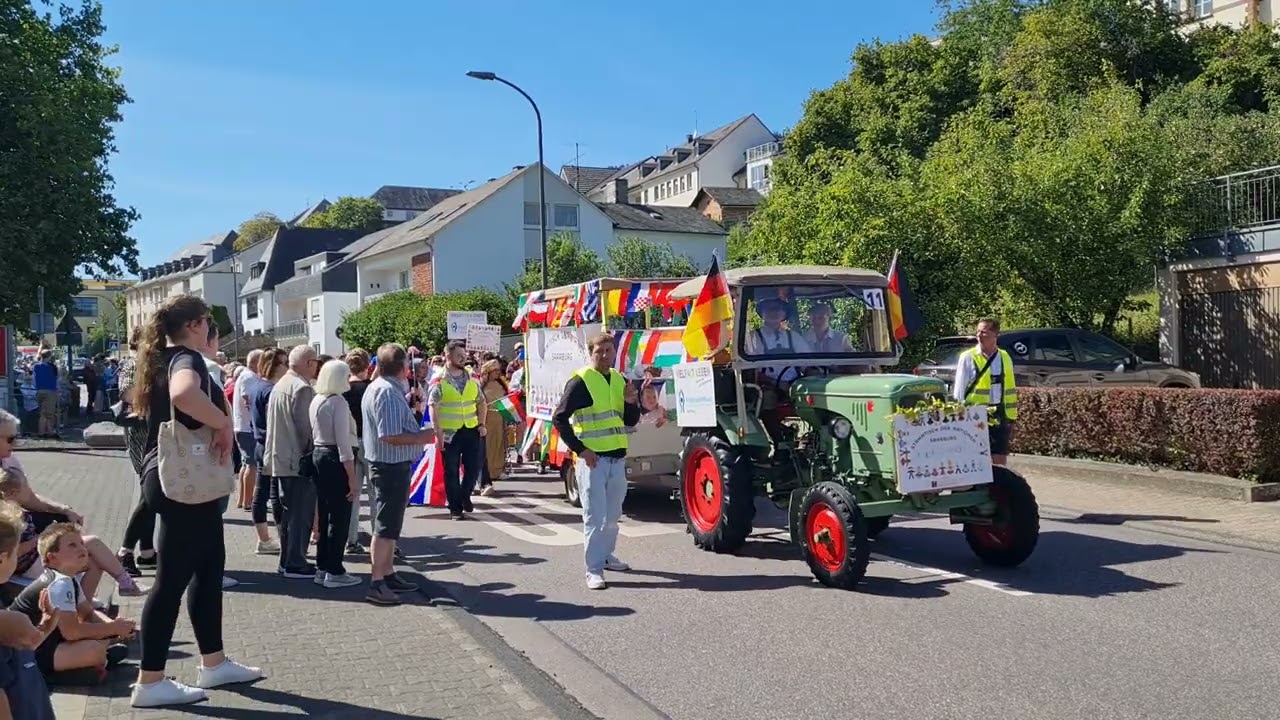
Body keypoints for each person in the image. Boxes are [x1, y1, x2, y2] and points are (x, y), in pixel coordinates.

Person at [128, 294, 263, 707]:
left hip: (173, 478)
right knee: (171, 581)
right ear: (193, 325)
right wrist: (222, 422)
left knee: (207, 569)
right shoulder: (185, 359)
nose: (210, 329)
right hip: (182, 480)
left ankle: (214, 662)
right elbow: (186, 394)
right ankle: (151, 681)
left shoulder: (158, 359)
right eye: (207, 321)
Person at [551, 332, 640, 590]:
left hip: (616, 457)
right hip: (593, 461)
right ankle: (592, 570)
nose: (604, 355)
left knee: (613, 515)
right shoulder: (580, 382)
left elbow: (629, 420)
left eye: (608, 350)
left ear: (614, 353)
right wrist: (581, 449)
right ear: (590, 353)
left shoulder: (618, 379)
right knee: (594, 516)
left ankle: (606, 556)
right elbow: (560, 418)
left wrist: (631, 402)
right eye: (599, 351)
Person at [10, 523, 132, 680]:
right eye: (72, 545)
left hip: (46, 642)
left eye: (81, 543)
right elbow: (72, 632)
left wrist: (114, 626)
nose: (81, 548)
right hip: (27, 653)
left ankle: (99, 659)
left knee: (100, 639)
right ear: (51, 558)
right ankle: (95, 663)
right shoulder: (59, 583)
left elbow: (87, 612)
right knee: (94, 649)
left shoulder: (68, 579)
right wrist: (112, 629)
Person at [361, 343, 432, 606]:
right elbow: (389, 435)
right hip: (389, 465)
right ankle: (377, 581)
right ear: (403, 368)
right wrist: (422, 436)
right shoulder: (387, 392)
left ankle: (387, 573)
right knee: (386, 525)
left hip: (390, 464)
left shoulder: (381, 388)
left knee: (391, 525)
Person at [265, 345, 319, 580]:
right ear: (308, 363)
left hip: (279, 457)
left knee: (286, 515)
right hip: (295, 461)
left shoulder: (281, 384)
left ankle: (287, 561)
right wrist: (312, 454)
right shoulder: (301, 388)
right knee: (299, 514)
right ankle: (295, 562)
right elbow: (305, 430)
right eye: (315, 362)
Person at [0, 500, 56, 719]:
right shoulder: (8, 619)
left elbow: (23, 645)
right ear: (2, 558)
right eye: (16, 553)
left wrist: (45, 624)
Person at [309, 360, 360, 589]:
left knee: (325, 512)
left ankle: (322, 566)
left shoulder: (317, 399)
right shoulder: (338, 402)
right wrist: (352, 477)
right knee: (340, 517)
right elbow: (343, 445)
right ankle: (335, 570)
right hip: (334, 458)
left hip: (319, 455)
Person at [428, 341, 486, 520]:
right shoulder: (439, 380)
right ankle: (455, 508)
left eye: (465, 354)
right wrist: (438, 434)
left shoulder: (472, 377)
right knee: (451, 471)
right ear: (447, 356)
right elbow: (433, 407)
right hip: (449, 434)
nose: (464, 358)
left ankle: (464, 495)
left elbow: (481, 401)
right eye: (459, 355)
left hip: (471, 429)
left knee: (474, 468)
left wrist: (482, 424)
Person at [952, 317, 1019, 466]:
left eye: (984, 332)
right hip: (975, 414)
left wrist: (1011, 418)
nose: (979, 335)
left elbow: (1010, 387)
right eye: (978, 332)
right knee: (977, 458)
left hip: (1000, 413)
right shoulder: (967, 357)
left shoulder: (1005, 356)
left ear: (995, 335)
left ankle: (998, 487)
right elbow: (959, 391)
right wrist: (960, 415)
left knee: (999, 458)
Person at [248, 349, 286, 554]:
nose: (287, 367)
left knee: (262, 493)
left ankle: (264, 538)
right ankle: (274, 538)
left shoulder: (257, 386)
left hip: (260, 444)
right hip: (269, 445)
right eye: (283, 363)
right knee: (272, 495)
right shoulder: (270, 390)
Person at [342, 349, 373, 555]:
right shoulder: (371, 389)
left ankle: (351, 539)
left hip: (350, 443)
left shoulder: (342, 391)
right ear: (367, 366)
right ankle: (380, 539)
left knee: (353, 493)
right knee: (375, 495)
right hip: (370, 443)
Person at [234, 350, 263, 513]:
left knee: (246, 464)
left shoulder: (245, 376)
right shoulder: (249, 377)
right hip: (247, 427)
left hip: (242, 426)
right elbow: (248, 400)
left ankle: (243, 498)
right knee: (251, 464)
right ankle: (248, 500)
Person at [478, 359, 508, 496]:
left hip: (499, 419)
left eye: (498, 370)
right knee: (488, 446)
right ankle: (488, 472)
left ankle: (498, 470)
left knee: (499, 443)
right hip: (487, 420)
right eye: (494, 371)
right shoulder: (481, 386)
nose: (497, 373)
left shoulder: (501, 385)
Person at [32, 351, 57, 438]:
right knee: (49, 413)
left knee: (42, 412)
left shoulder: (36, 366)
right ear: (49, 357)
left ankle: (43, 431)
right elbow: (56, 377)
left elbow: (34, 378)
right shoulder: (52, 367)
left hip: (39, 391)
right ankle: (47, 432)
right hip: (50, 390)